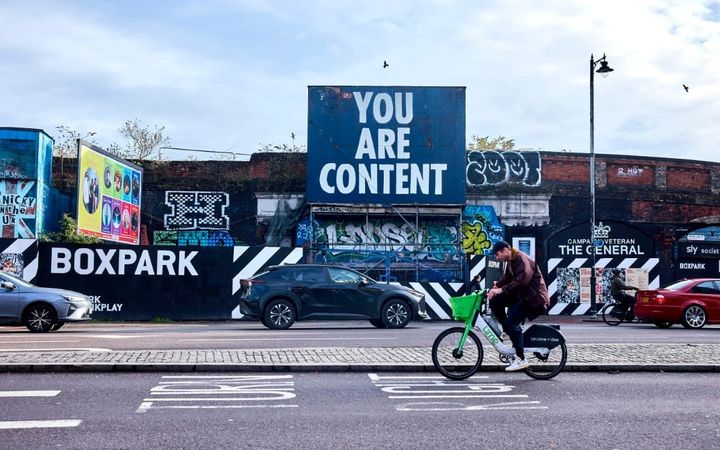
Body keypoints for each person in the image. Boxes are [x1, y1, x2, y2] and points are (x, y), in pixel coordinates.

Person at [487, 240, 550, 372]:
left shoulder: (521, 258)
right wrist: (497, 286)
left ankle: (521, 359)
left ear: (506, 250)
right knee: (495, 300)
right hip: (523, 296)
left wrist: (501, 289)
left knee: (512, 324)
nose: (497, 258)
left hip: (533, 299)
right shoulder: (511, 261)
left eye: (498, 255)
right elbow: (507, 278)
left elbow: (522, 280)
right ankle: (507, 330)